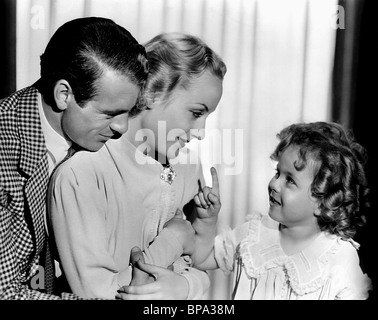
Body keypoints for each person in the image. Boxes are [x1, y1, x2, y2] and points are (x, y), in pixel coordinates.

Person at [47, 32, 227, 300]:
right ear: (153, 92)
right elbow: (98, 294)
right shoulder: (81, 174)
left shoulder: (189, 166)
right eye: (196, 113)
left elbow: (197, 266)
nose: (200, 133)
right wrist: (173, 240)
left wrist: (188, 286)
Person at [0, 17, 148, 300]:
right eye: (109, 113)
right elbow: (5, 293)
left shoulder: (92, 141)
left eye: (127, 112)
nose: (122, 128)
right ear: (64, 94)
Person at [158, 121, 373, 300]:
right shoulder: (254, 233)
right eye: (277, 172)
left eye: (290, 180)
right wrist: (207, 222)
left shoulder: (339, 256)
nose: (274, 184)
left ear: (323, 200)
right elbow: (201, 258)